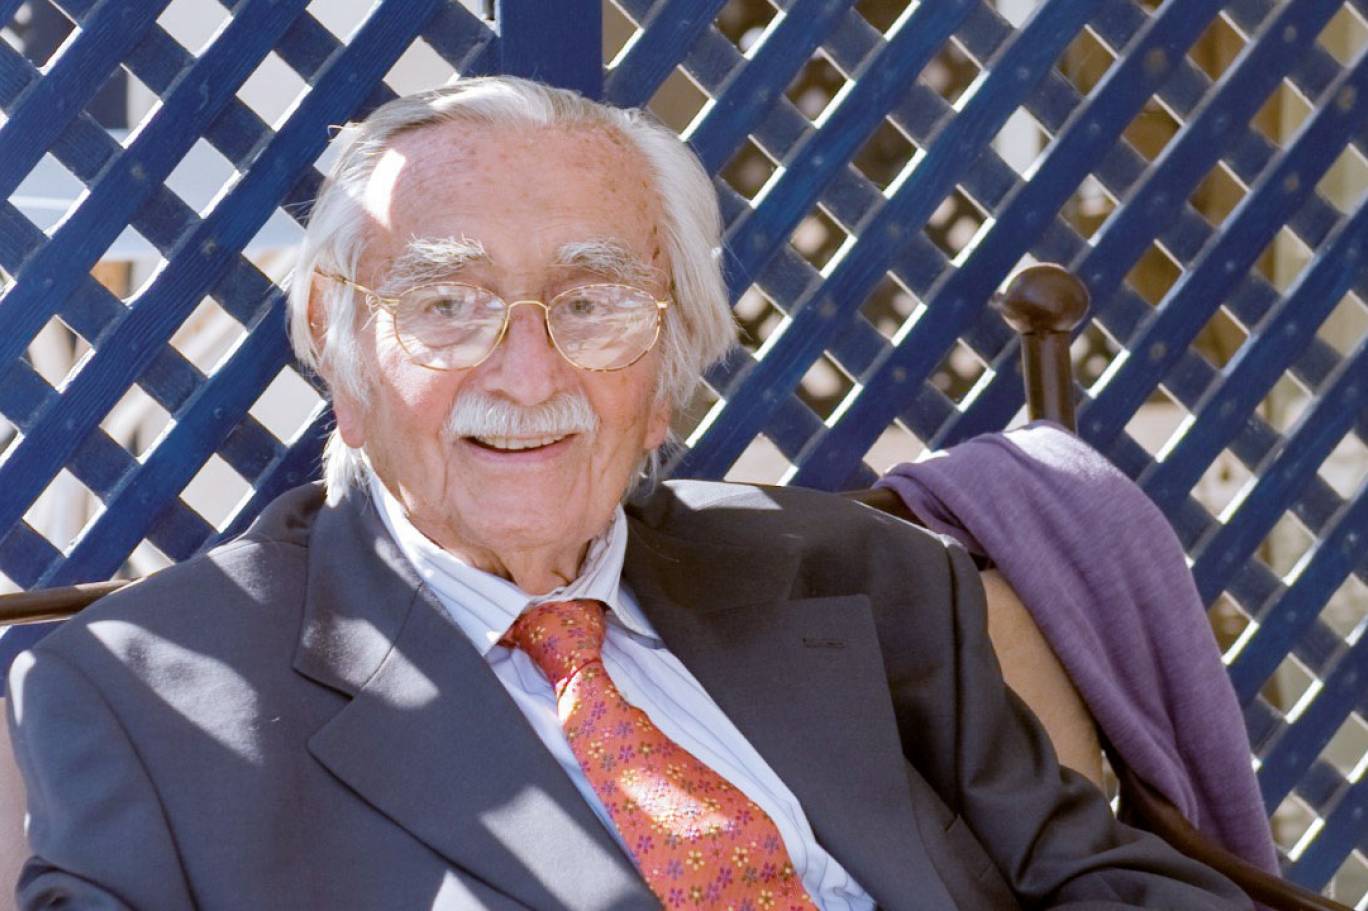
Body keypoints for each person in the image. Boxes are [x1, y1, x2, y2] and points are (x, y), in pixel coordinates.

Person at [5, 77, 1252, 910]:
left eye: (593, 303)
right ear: (342, 349)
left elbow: (1109, 879)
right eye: (449, 303)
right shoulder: (144, 696)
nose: (528, 373)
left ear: (667, 377)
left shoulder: (869, 579)